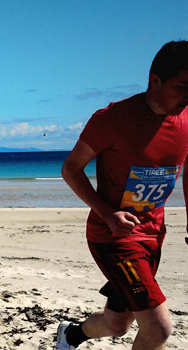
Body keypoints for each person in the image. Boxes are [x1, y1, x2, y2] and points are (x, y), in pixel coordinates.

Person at [55, 41, 188, 350]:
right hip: (114, 238)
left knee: (118, 324)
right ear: (155, 80)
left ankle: (71, 335)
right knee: (159, 329)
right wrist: (107, 213)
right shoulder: (111, 120)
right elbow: (71, 169)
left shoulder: (185, 121)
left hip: (153, 236)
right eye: (182, 87)